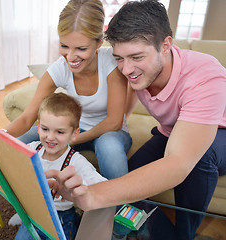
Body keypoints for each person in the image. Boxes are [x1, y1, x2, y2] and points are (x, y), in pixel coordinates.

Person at [45, 1, 226, 240]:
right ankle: (149, 230)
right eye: (119, 58)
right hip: (171, 129)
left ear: (166, 45)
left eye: (136, 57)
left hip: (219, 133)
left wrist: (94, 194)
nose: (126, 69)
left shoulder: (205, 75)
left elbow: (178, 163)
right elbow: (126, 101)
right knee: (132, 177)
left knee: (197, 159)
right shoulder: (137, 69)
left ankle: (184, 234)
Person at [0, 0, 132, 180]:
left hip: (109, 133)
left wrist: (72, 139)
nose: (71, 57)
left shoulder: (111, 63)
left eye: (81, 49)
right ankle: (34, 196)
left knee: (109, 148)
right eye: (64, 46)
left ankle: (122, 206)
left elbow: (113, 122)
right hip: (72, 129)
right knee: (17, 145)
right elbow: (28, 118)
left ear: (99, 43)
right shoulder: (59, 69)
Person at [14, 92, 107, 240]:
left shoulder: (76, 162)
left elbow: (103, 185)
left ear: (74, 134)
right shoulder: (31, 149)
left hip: (62, 218)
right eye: (45, 129)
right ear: (38, 127)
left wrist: (80, 187)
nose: (50, 137)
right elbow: (7, 157)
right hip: (34, 215)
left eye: (59, 132)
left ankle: (76, 220)